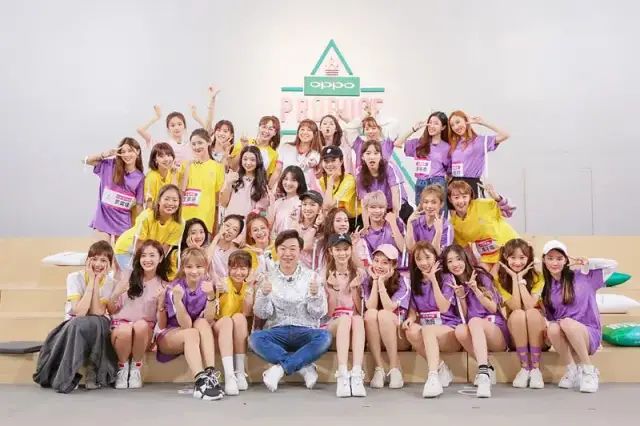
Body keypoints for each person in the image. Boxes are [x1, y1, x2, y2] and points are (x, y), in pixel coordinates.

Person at [249, 230, 332, 392]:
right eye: (283, 249)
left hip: (305, 331)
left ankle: (280, 369)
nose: (287, 253)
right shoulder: (268, 276)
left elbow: (319, 313)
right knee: (255, 339)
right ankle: (303, 366)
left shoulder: (311, 277)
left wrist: (315, 296)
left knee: (325, 337)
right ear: (277, 251)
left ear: (300, 251)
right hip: (276, 331)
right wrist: (264, 295)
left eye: (293, 249)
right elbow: (262, 313)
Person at [34, 241, 117, 392]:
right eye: (94, 259)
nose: (98, 264)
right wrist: (91, 280)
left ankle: (77, 373)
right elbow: (80, 312)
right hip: (74, 323)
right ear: (87, 260)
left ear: (109, 264)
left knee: (96, 321)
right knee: (78, 323)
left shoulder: (110, 282)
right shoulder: (74, 277)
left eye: (103, 260)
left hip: (98, 323)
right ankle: (84, 372)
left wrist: (96, 282)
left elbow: (97, 311)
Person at [541, 240, 617, 393]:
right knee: (553, 327)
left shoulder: (584, 276)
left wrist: (589, 261)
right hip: (567, 336)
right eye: (550, 258)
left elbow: (613, 265)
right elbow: (551, 319)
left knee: (567, 322)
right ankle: (572, 371)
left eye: (559, 258)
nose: (554, 263)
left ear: (566, 260)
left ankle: (589, 370)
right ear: (544, 260)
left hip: (588, 334)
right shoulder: (546, 288)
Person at [156, 248, 224, 401]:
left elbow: (209, 319)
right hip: (170, 334)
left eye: (199, 266)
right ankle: (200, 382)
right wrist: (178, 300)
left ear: (205, 268)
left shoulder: (207, 286)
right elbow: (186, 325)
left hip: (194, 334)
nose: (194, 271)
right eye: (189, 267)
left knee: (202, 323)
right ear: (183, 268)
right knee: (191, 332)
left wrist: (211, 296)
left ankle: (210, 374)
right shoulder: (175, 288)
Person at [445, 245, 508, 398]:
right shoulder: (452, 283)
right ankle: (487, 368)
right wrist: (461, 297)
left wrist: (476, 290)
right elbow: (465, 317)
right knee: (460, 329)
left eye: (458, 259)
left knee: (474, 322)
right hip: (475, 330)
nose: (455, 264)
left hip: (495, 329)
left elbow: (493, 308)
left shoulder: (480, 276)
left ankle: (483, 374)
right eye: (450, 261)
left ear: (465, 259)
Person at [403, 241, 461, 397]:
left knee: (428, 330)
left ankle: (433, 376)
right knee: (410, 330)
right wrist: (410, 318)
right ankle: (441, 368)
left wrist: (433, 280)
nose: (423, 262)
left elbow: (444, 307)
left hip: (448, 328)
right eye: (419, 259)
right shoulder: (414, 281)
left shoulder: (447, 277)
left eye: (427, 257)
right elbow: (413, 308)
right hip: (426, 329)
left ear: (435, 258)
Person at [109, 240, 168, 389]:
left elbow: (162, 325)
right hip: (121, 328)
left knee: (141, 325)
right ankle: (122, 368)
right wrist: (116, 293)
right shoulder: (127, 277)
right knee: (125, 329)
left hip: (144, 332)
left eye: (152, 255)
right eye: (143, 255)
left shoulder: (164, 285)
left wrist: (161, 303)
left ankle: (136, 368)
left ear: (160, 258)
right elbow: (111, 310)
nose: (147, 259)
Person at [496, 238, 546, 389]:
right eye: (513, 258)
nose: (517, 262)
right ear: (505, 257)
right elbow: (516, 306)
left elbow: (530, 305)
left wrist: (520, 280)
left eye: (522, 257)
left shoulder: (538, 277)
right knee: (518, 314)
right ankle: (524, 368)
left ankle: (535, 369)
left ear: (529, 258)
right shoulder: (498, 280)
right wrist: (514, 277)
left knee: (532, 313)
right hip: (516, 335)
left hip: (538, 334)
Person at [323, 234, 367, 397]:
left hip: (352, 319)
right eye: (338, 249)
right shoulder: (324, 274)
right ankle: (342, 373)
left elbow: (360, 310)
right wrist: (334, 289)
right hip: (333, 322)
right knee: (346, 320)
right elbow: (328, 313)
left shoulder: (360, 274)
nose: (342, 253)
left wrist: (354, 289)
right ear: (331, 251)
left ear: (351, 250)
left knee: (357, 319)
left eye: (346, 249)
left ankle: (356, 373)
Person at [362, 244, 411, 389]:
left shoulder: (403, 281)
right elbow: (370, 306)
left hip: (398, 335)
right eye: (376, 261)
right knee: (371, 314)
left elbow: (389, 307)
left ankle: (395, 368)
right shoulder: (368, 280)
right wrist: (375, 281)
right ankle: (379, 368)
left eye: (385, 262)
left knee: (384, 314)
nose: (379, 266)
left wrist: (382, 283)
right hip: (376, 336)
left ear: (394, 265)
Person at [448, 181, 517, 274]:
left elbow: (509, 211)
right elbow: (466, 249)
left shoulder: (482, 204)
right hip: (488, 256)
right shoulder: (454, 223)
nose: (461, 201)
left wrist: (497, 198)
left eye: (464, 197)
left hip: (509, 249)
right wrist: (473, 267)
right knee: (480, 275)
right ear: (450, 199)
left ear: (470, 197)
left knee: (494, 277)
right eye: (456, 197)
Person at [213, 250, 256, 395]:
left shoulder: (248, 286)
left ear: (249, 270)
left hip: (237, 331)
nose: (238, 272)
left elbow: (246, 313)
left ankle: (240, 371)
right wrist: (218, 291)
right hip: (220, 327)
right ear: (229, 268)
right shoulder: (222, 283)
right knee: (227, 321)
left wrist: (249, 287)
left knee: (239, 318)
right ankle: (229, 375)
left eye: (243, 268)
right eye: (234, 268)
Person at [85, 138, 144, 241]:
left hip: (123, 224)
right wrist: (104, 154)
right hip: (103, 220)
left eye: (130, 150)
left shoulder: (140, 177)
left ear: (138, 151)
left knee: (122, 251)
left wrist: (140, 228)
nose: (126, 154)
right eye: (123, 152)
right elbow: (87, 161)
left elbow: (139, 205)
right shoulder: (110, 165)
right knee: (101, 249)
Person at [447, 111, 510, 198]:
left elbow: (505, 135)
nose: (456, 127)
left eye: (458, 122)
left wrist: (483, 123)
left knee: (475, 207)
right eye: (452, 125)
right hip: (454, 185)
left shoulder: (480, 141)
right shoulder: (453, 144)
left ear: (466, 121)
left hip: (472, 185)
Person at [395, 111, 450, 205]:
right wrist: (414, 129)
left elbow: (449, 172)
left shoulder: (447, 147)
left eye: (436, 123)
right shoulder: (419, 143)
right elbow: (397, 143)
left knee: (438, 212)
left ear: (443, 127)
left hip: (438, 184)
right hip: (421, 183)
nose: (431, 126)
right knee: (420, 212)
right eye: (430, 122)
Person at [178, 129, 225, 232]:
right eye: (193, 144)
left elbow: (218, 200)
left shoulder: (217, 167)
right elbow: (180, 191)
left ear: (209, 142)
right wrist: (188, 166)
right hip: (184, 219)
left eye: (200, 143)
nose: (196, 147)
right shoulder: (185, 165)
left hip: (205, 221)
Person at [406, 185, 453, 255]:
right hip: (418, 260)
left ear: (441, 204)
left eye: (434, 202)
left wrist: (438, 232)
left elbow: (439, 255)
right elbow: (410, 249)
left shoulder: (446, 226)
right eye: (426, 202)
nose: (429, 206)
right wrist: (409, 223)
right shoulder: (415, 222)